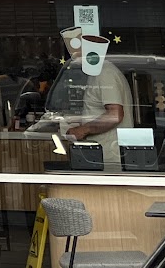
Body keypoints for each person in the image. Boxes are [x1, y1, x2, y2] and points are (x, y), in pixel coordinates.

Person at [55, 26, 132, 169]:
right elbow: (98, 111)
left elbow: (115, 114)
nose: (74, 57)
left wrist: (83, 130)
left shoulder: (105, 73)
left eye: (76, 52)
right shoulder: (97, 72)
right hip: (101, 156)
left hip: (109, 158)